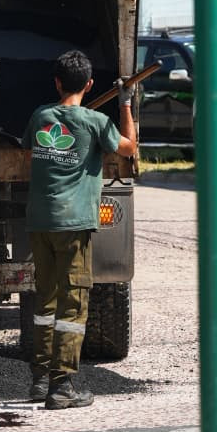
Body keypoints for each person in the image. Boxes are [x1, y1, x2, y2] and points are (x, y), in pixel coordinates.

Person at [22, 50, 136, 410]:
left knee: (46, 299)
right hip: (73, 224)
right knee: (73, 301)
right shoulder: (96, 122)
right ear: (89, 85)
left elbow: (30, 151)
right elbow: (129, 149)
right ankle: (62, 385)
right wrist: (127, 106)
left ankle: (40, 379)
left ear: (57, 82)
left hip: (40, 221)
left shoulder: (41, 116)